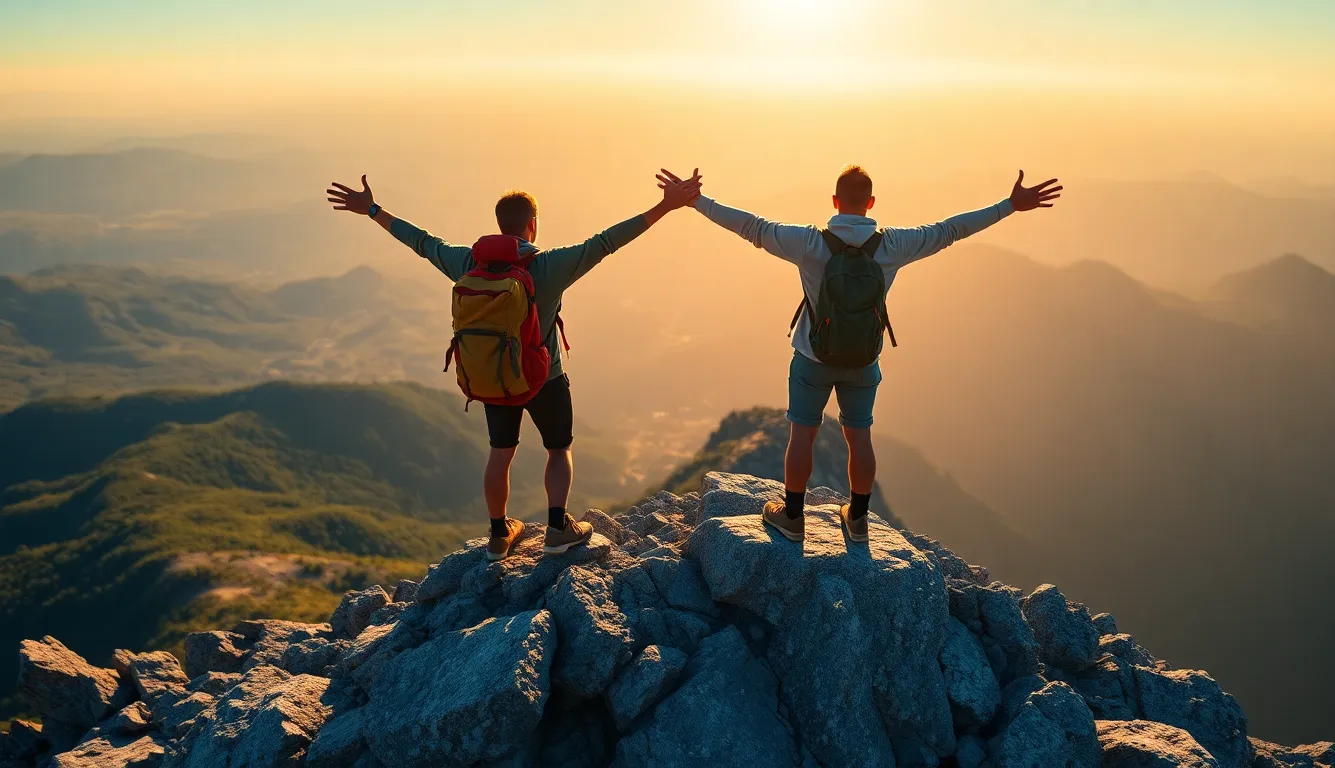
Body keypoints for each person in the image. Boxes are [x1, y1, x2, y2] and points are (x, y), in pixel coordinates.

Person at [660, 165, 1061, 543]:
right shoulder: (894, 244)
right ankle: (858, 520)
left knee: (803, 433)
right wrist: (1009, 205)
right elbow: (950, 230)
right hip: (864, 362)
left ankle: (793, 517)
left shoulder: (810, 242)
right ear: (871, 203)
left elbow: (751, 227)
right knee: (859, 436)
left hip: (812, 359)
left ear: (835, 201)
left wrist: (696, 201)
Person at [327, 170, 703, 561]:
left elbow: (422, 243)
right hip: (546, 378)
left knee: (500, 453)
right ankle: (558, 528)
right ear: (533, 226)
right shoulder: (549, 267)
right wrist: (666, 205)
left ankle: (497, 535)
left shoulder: (469, 262)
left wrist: (372, 209)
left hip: (495, 379)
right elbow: (607, 242)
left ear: (500, 225)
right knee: (558, 450)